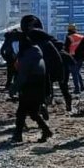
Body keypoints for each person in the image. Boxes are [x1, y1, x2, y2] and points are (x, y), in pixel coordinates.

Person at [11, 15, 55, 143]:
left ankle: (19, 135)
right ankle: (44, 130)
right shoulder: (36, 52)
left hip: (30, 85)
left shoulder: (27, 55)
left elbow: (23, 74)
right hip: (39, 85)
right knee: (31, 112)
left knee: (23, 111)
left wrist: (14, 88)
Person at [63, 24, 84, 94]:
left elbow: (66, 48)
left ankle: (77, 89)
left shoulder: (69, 37)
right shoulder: (81, 37)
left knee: (74, 73)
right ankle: (82, 87)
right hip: (81, 57)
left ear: (68, 30)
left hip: (72, 57)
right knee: (77, 72)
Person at [0, 29, 20, 99]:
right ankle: (16, 87)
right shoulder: (19, 39)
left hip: (9, 59)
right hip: (18, 59)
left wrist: (5, 58)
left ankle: (8, 86)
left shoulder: (8, 39)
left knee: (10, 74)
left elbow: (2, 50)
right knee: (17, 74)